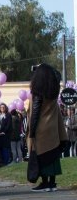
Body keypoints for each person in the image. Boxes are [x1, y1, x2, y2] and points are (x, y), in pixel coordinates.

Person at [28, 63, 67, 192]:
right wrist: (48, 67)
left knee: (42, 155)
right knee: (53, 155)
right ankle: (52, 183)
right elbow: (58, 75)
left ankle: (45, 183)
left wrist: (31, 132)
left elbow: (35, 114)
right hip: (53, 127)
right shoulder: (54, 91)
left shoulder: (38, 94)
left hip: (41, 128)